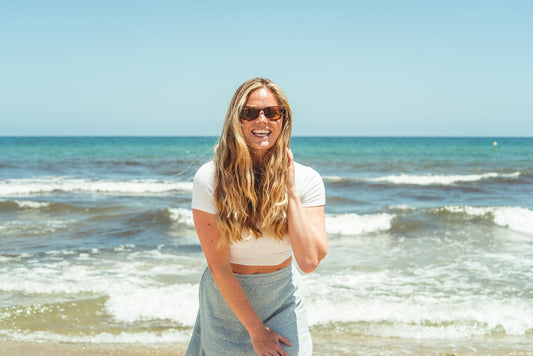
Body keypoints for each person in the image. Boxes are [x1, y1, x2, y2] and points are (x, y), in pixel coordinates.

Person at [186, 77, 328, 356]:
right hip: (226, 299)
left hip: (282, 296)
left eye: (272, 112)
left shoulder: (307, 180)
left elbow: (309, 261)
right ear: (236, 121)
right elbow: (219, 267)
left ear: (283, 120)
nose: (261, 120)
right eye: (250, 113)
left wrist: (291, 191)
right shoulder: (210, 178)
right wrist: (255, 330)